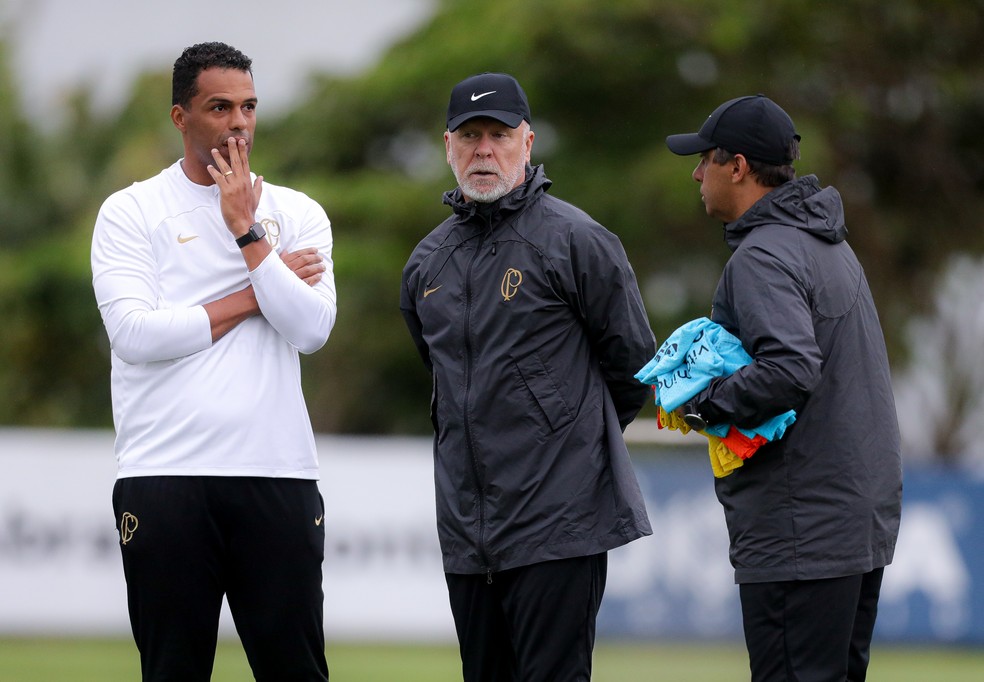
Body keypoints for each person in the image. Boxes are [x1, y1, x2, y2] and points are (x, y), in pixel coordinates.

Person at [400, 72, 656, 682]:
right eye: (470, 136)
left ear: (528, 141)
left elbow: (632, 367)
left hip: (558, 524)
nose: (484, 150)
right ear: (448, 146)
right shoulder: (426, 263)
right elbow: (445, 379)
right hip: (467, 531)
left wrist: (563, 434)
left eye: (499, 134)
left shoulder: (577, 240)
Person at [91, 42, 335, 681]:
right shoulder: (131, 211)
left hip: (277, 474)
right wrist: (259, 292)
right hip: (165, 475)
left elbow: (311, 329)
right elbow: (135, 334)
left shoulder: (297, 213)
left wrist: (248, 233)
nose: (238, 123)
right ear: (181, 117)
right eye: (220, 107)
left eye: (248, 107)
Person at [664, 95, 903, 681]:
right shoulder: (827, 243)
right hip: (851, 520)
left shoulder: (763, 255)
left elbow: (790, 369)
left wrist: (699, 404)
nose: (696, 174)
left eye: (704, 160)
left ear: (738, 167)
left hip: (802, 531)